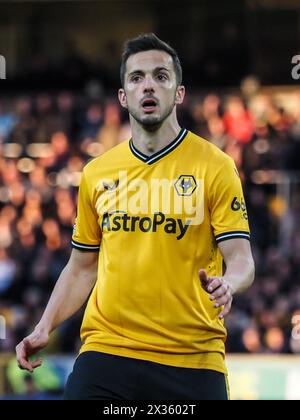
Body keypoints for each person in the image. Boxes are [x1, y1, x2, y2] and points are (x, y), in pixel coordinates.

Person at [16, 33, 255, 400]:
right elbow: (81, 268)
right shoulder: (97, 173)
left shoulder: (216, 167)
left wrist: (229, 283)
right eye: (137, 77)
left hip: (192, 357)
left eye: (161, 76)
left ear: (178, 93)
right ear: (123, 96)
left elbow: (241, 259)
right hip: (108, 352)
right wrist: (44, 326)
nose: (149, 85)